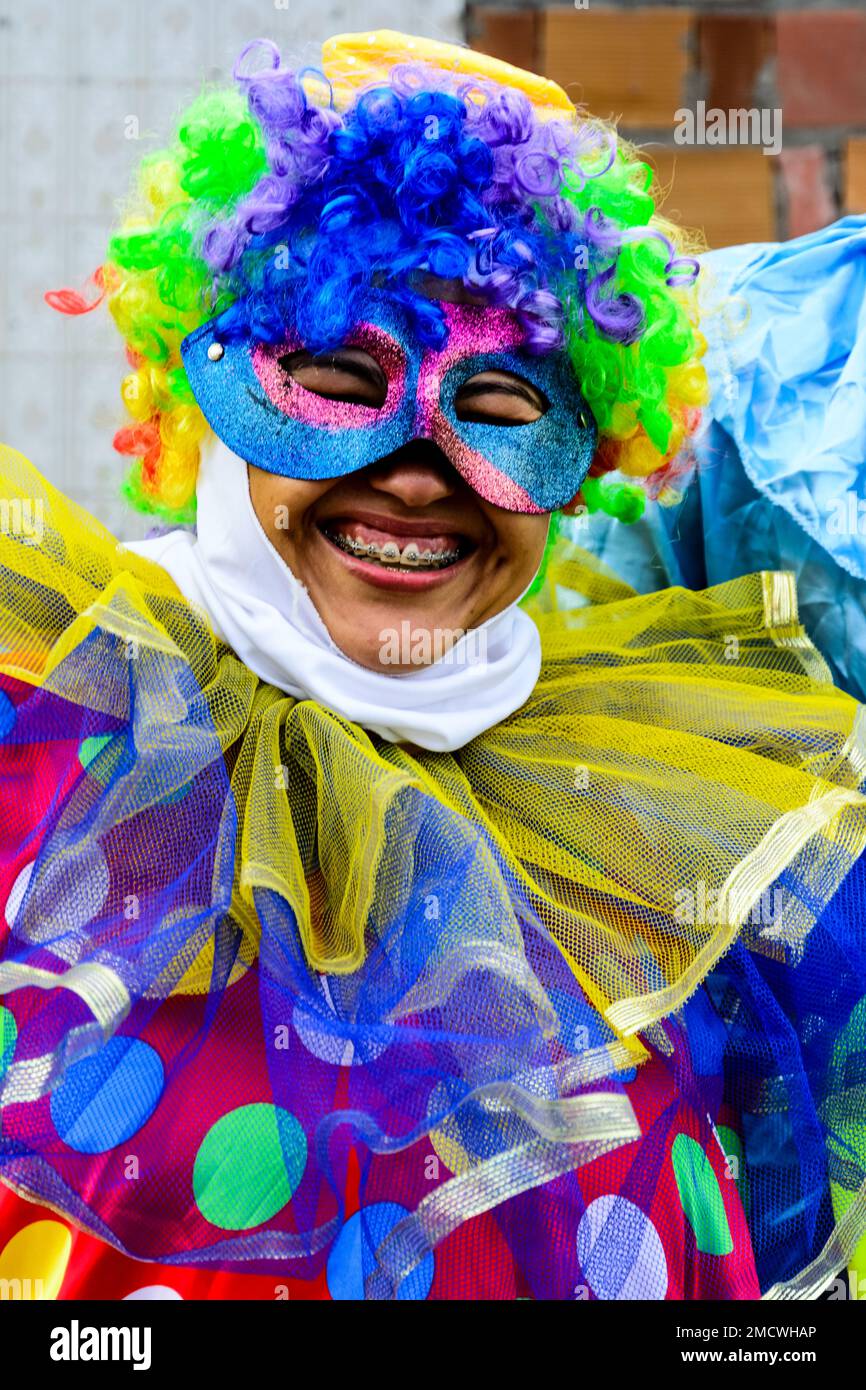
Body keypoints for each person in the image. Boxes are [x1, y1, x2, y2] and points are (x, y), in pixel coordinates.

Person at [0, 29, 863, 1302]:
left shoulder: (657, 844)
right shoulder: (42, 736)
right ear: (205, 382)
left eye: (503, 407)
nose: (415, 471)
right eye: (342, 378)